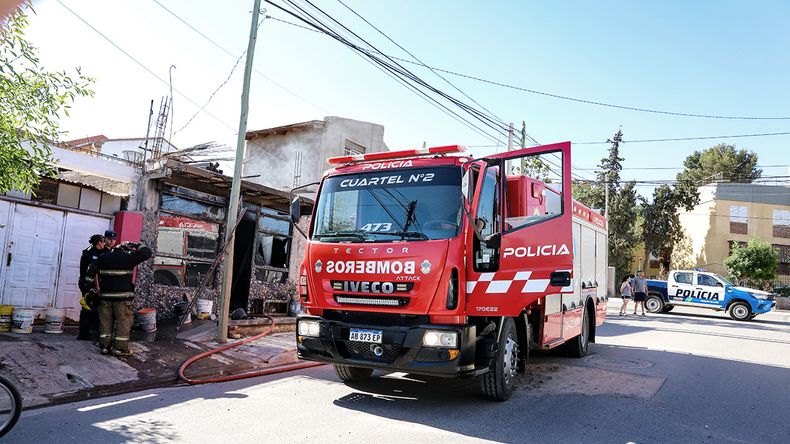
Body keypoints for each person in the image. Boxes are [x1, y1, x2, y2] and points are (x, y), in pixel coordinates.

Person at [85, 241, 152, 356]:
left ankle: (105, 347)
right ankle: (120, 349)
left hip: (105, 298)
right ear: (126, 250)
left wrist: (92, 289)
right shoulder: (129, 258)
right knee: (123, 323)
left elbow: (89, 274)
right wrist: (137, 245)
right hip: (123, 299)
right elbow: (147, 252)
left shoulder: (103, 257)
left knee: (105, 322)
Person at [77, 234, 106, 340]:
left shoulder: (93, 251)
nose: (104, 243)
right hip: (89, 284)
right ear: (99, 243)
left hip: (87, 283)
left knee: (91, 308)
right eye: (103, 241)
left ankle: (89, 332)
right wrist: (97, 287)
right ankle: (84, 333)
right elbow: (94, 273)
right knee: (88, 308)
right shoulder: (91, 254)